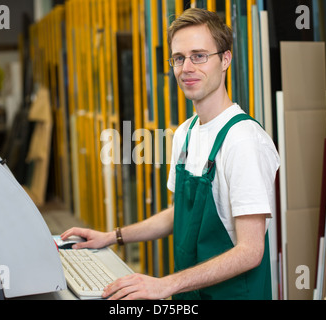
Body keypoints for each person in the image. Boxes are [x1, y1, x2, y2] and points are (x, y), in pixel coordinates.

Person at [61, 7, 280, 300]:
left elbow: (250, 252)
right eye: (179, 58)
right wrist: (112, 237)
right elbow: (180, 215)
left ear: (225, 59)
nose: (187, 67)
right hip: (191, 294)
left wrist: (166, 284)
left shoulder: (243, 141)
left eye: (199, 55)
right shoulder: (185, 134)